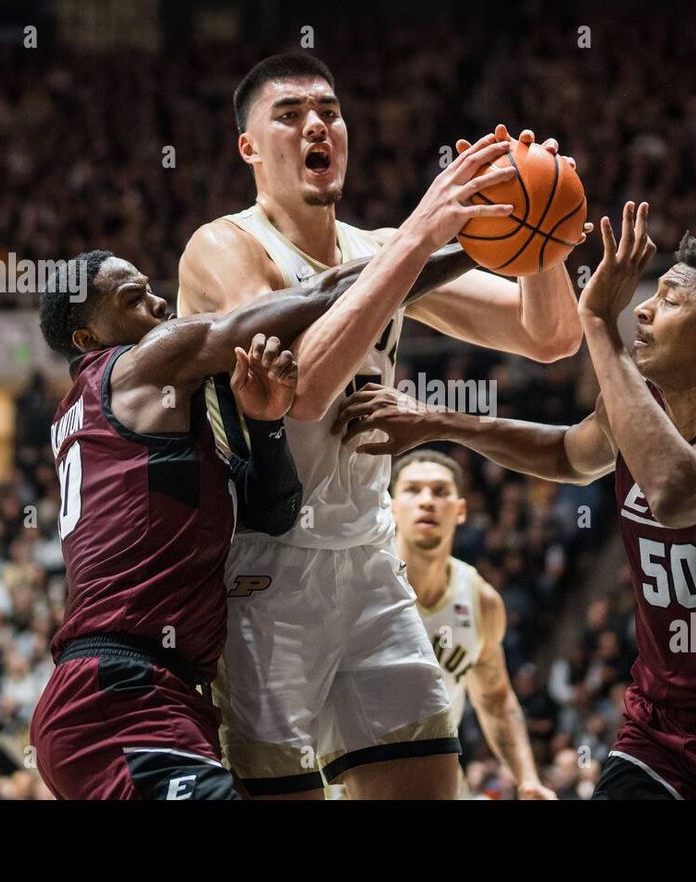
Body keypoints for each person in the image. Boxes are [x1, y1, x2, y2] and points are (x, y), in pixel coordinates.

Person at [338, 205, 696, 798]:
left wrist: (596, 324)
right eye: (651, 292)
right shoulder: (636, 413)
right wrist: (439, 422)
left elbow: (676, 491)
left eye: (669, 299)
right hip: (663, 727)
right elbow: (567, 454)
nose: (642, 307)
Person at [177, 51, 586, 799]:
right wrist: (417, 240)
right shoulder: (223, 246)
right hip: (261, 569)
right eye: (290, 113)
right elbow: (299, 390)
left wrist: (540, 235)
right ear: (248, 147)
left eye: (328, 111)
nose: (315, 125)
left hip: (369, 561)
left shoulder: (381, 249)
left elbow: (550, 337)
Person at [28, 154, 489, 799]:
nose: (159, 303)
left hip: (160, 691)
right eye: (133, 299)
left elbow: (272, 511)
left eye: (151, 288)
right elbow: (312, 298)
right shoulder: (136, 365)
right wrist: (454, 246)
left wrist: (266, 425)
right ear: (88, 337)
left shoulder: (118, 417)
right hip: (116, 692)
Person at [389, 449, 555, 799]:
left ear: (461, 509)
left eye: (439, 491)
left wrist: (527, 778)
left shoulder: (480, 599)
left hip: (438, 780)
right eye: (413, 490)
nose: (427, 501)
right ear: (390, 507)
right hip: (349, 777)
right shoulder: (359, 580)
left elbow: (495, 700)